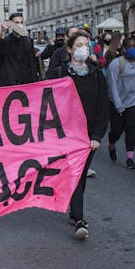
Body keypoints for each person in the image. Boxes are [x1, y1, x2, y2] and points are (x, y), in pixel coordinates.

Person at [47, 31, 108, 239]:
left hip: (89, 135)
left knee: (80, 176)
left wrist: (97, 135)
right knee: (74, 173)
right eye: (79, 44)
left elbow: (102, 106)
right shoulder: (58, 74)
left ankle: (74, 210)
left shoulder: (96, 74)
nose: (84, 48)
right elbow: (47, 102)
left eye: (87, 44)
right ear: (70, 49)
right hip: (67, 135)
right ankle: (80, 220)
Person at [106, 36, 135, 170]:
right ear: (124, 49)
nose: (133, 49)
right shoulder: (116, 63)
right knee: (117, 130)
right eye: (130, 47)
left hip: (134, 101)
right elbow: (112, 85)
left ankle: (130, 158)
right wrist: (118, 106)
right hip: (117, 102)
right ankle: (111, 144)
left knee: (131, 129)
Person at [0, 13, 38, 86]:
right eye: (16, 23)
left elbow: (32, 64)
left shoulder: (28, 41)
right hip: (9, 83)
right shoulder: (6, 40)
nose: (19, 25)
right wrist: (3, 32)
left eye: (21, 22)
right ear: (11, 25)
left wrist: (35, 82)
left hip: (25, 83)